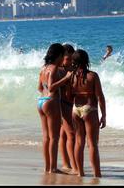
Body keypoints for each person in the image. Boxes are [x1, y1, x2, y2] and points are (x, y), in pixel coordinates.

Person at [37, 43, 74, 174]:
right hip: (51, 101)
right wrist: (66, 78)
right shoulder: (53, 68)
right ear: (58, 55)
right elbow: (52, 87)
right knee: (54, 137)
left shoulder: (43, 68)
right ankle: (53, 168)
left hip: (41, 101)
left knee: (46, 137)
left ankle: (47, 167)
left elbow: (40, 88)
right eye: (62, 56)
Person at [70, 49, 106, 177]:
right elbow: (100, 97)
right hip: (89, 109)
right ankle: (97, 174)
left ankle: (80, 173)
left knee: (79, 142)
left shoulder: (71, 76)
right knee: (92, 144)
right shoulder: (93, 76)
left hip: (75, 109)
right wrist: (104, 115)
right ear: (86, 60)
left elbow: (68, 95)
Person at [58, 44, 78, 174]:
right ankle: (73, 165)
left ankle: (66, 163)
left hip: (71, 104)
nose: (70, 61)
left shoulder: (72, 68)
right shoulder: (59, 70)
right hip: (62, 104)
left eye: (72, 58)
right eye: (68, 58)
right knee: (71, 134)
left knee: (64, 134)